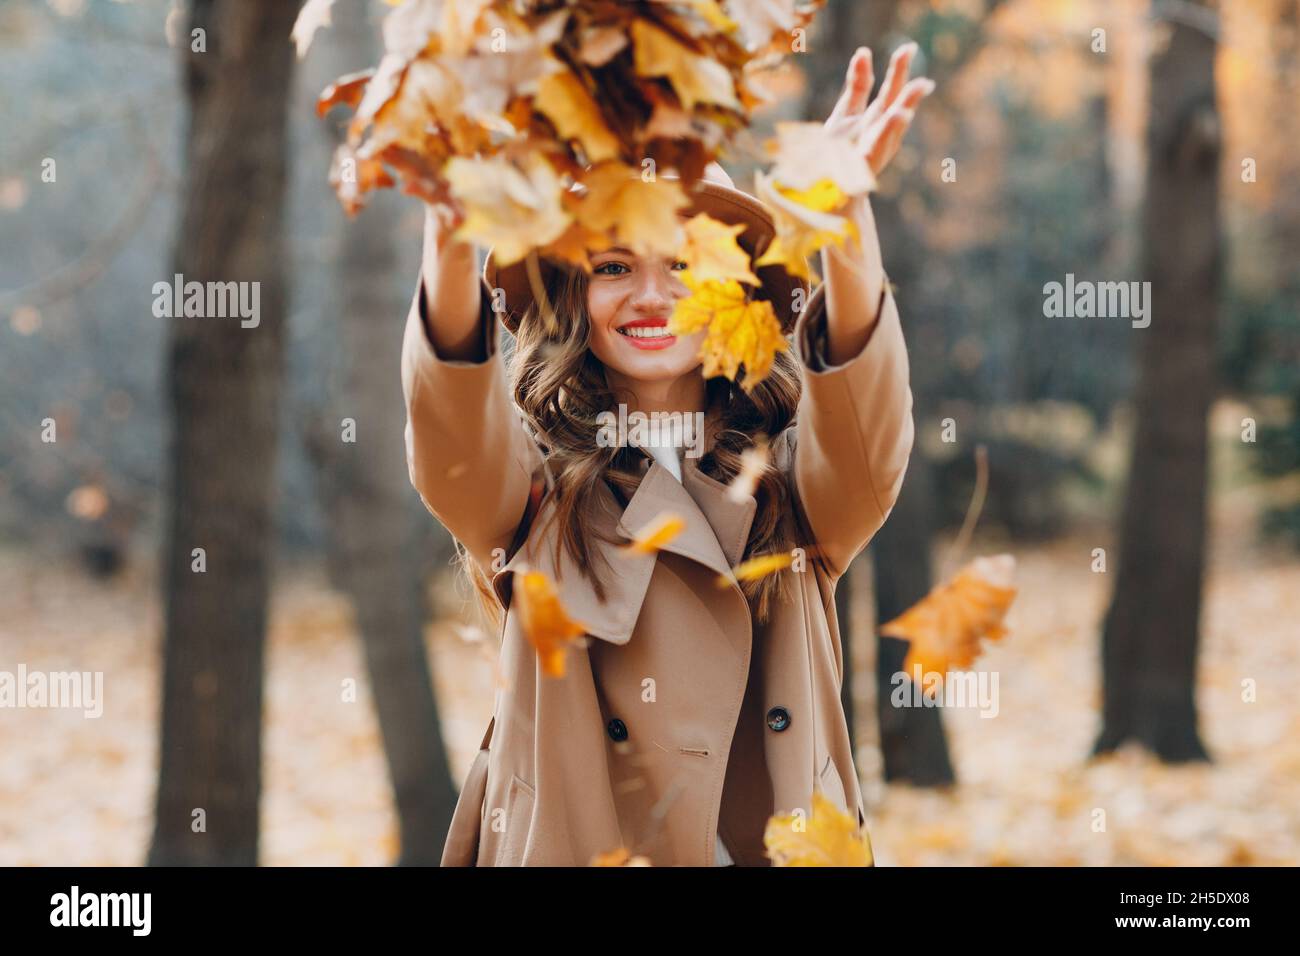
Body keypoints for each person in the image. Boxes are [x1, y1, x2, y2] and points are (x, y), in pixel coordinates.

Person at [403, 45, 932, 866]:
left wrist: (844, 221)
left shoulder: (789, 490)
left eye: (684, 264)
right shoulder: (533, 496)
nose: (652, 296)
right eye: (612, 266)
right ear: (571, 294)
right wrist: (449, 236)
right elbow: (452, 443)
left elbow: (869, 430)